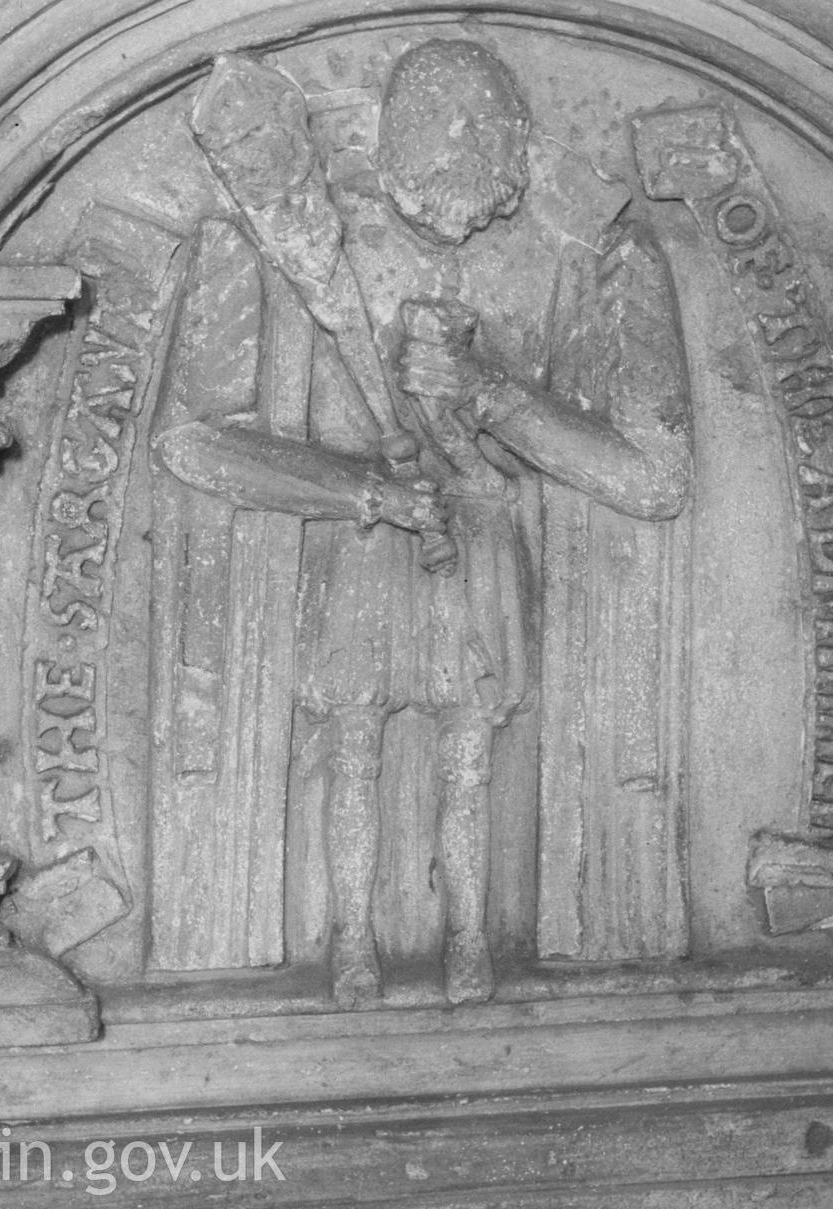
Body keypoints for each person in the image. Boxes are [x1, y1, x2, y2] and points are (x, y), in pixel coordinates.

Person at [149, 38, 692, 1006]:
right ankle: (354, 940)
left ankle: (472, 941)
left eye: (484, 140)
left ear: (518, 149)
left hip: (480, 548)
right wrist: (361, 490)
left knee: (470, 758)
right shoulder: (267, 234)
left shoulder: (596, 246)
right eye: (433, 139)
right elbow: (195, 443)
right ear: (389, 145)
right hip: (366, 553)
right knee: (353, 749)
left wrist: (495, 396)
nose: (459, 162)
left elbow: (652, 482)